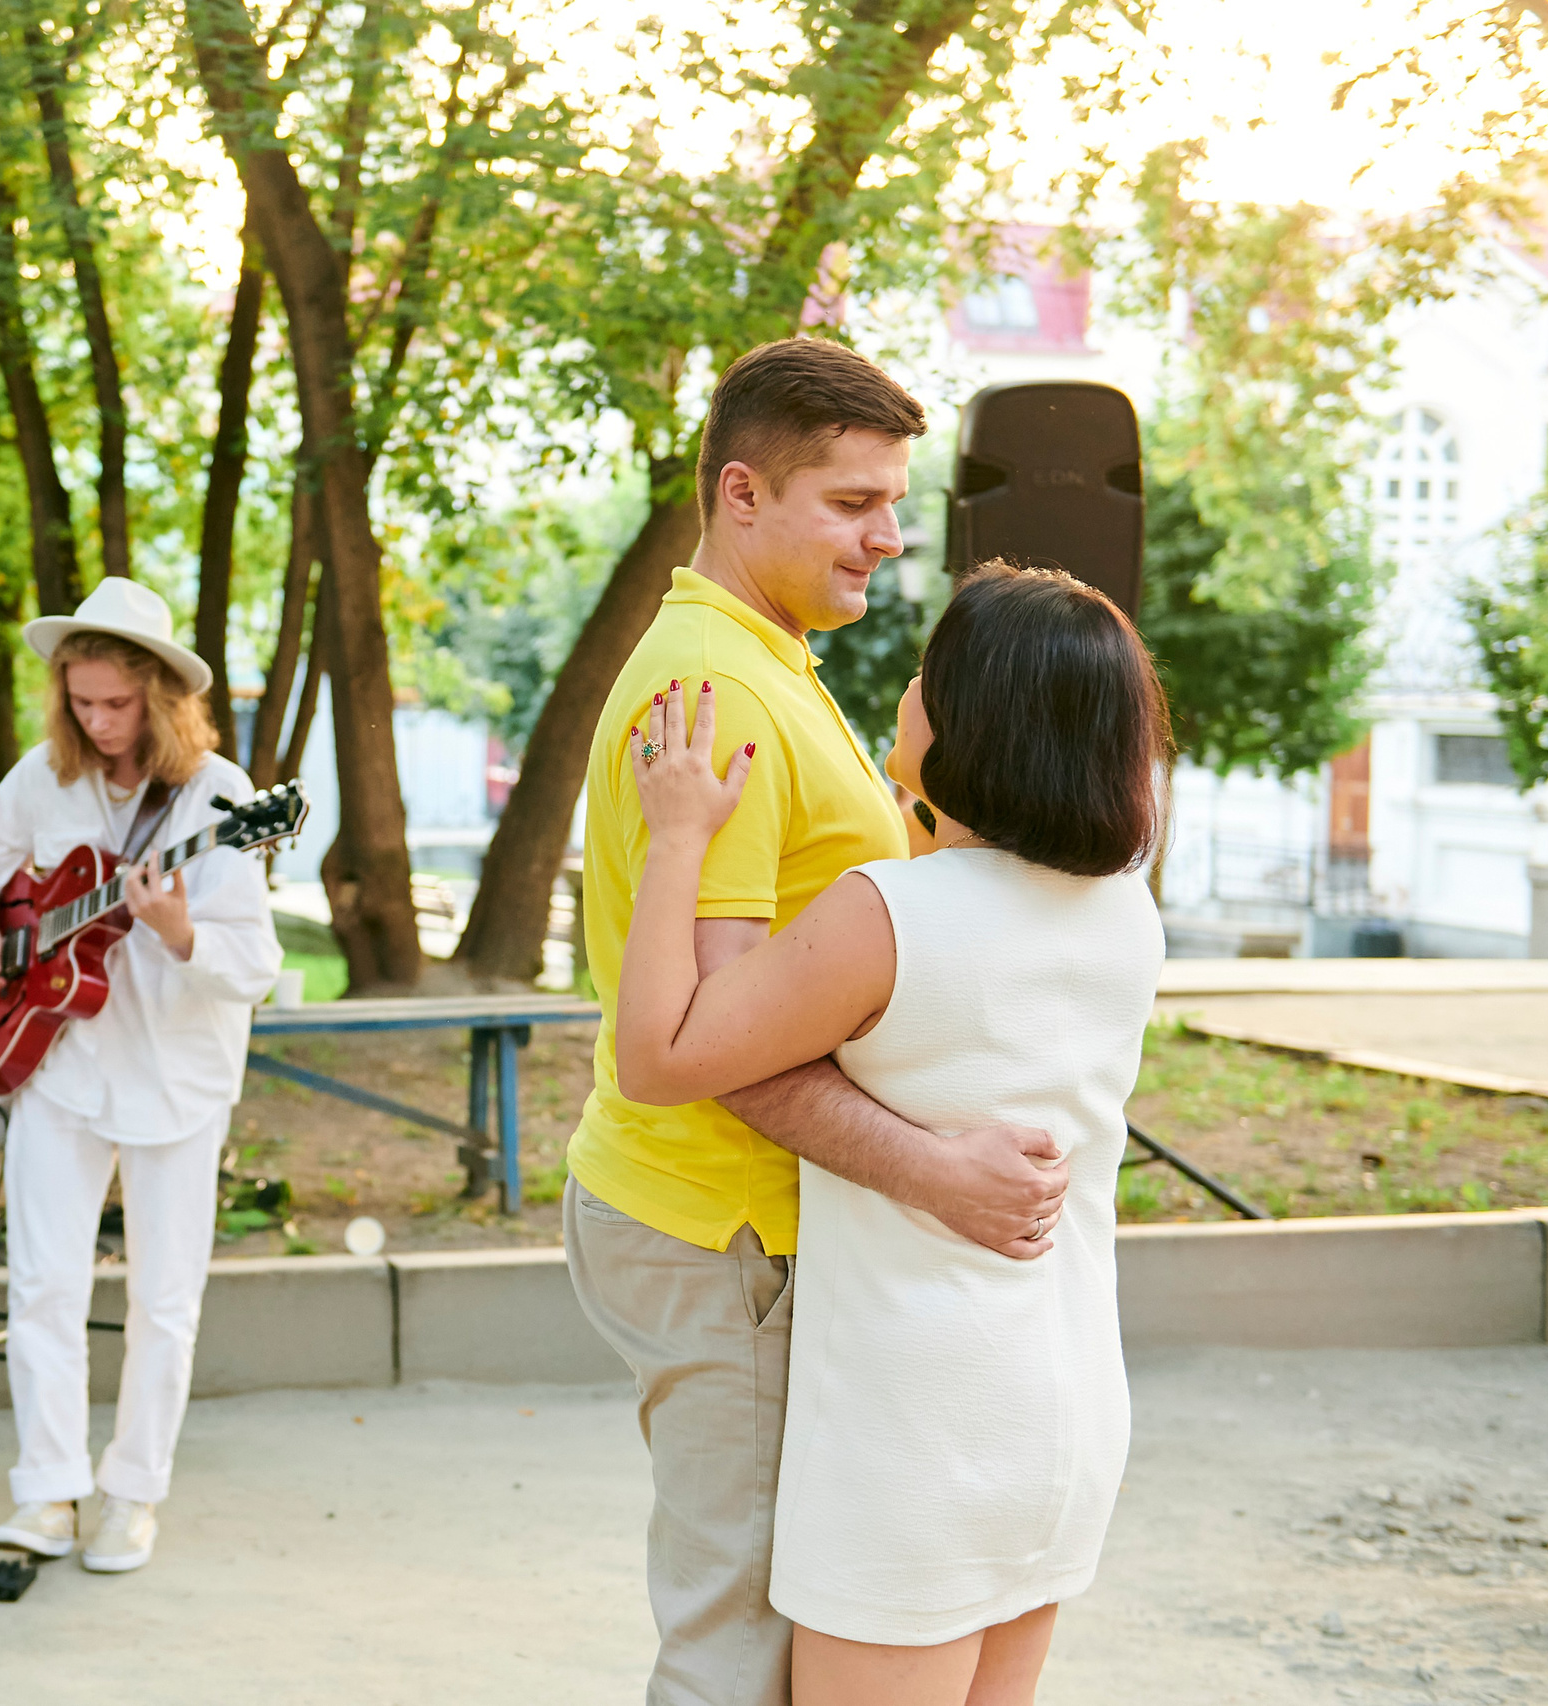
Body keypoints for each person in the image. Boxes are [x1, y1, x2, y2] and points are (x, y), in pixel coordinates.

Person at [561, 338, 1075, 1706]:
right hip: (724, 1225)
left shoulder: (766, 658)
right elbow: (711, 1038)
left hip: (763, 1229)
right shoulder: (718, 694)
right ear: (742, 495)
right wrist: (931, 1168)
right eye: (853, 503)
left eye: (892, 502)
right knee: (742, 1648)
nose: (889, 538)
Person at [615, 563, 1170, 1706]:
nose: (906, 690)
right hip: (1063, 1411)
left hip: (920, 1433)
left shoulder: (888, 913)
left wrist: (679, 835)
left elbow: (663, 1056)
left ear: (973, 723)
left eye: (929, 675)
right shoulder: (1125, 908)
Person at [0, 577, 283, 1575]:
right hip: (61, 1060)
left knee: (165, 1296)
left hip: (176, 1073)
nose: (97, 721)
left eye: (116, 704)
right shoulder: (44, 776)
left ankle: (132, 1493)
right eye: (81, 701)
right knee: (43, 1281)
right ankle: (47, 1489)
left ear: (162, 696)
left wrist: (177, 930)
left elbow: (250, 963)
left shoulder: (219, 795)